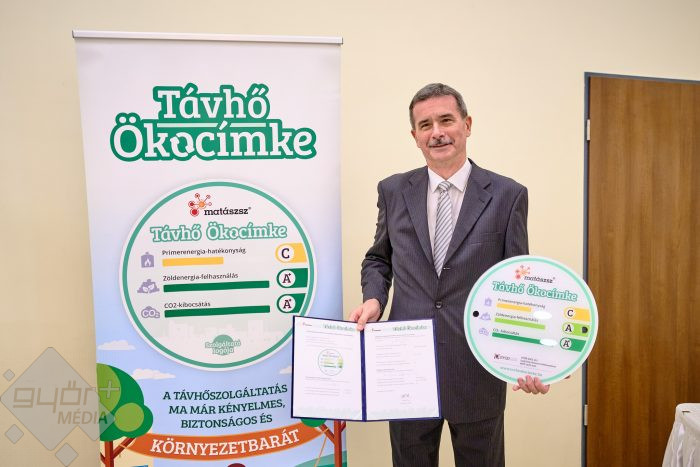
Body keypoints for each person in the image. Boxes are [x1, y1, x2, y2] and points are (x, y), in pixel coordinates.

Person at [349, 83, 550, 467]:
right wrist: (374, 298)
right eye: (425, 125)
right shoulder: (393, 190)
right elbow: (378, 259)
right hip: (406, 367)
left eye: (446, 120)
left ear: (467, 125)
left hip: (476, 369)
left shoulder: (507, 195)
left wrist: (531, 358)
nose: (437, 132)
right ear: (414, 135)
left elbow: (518, 285)